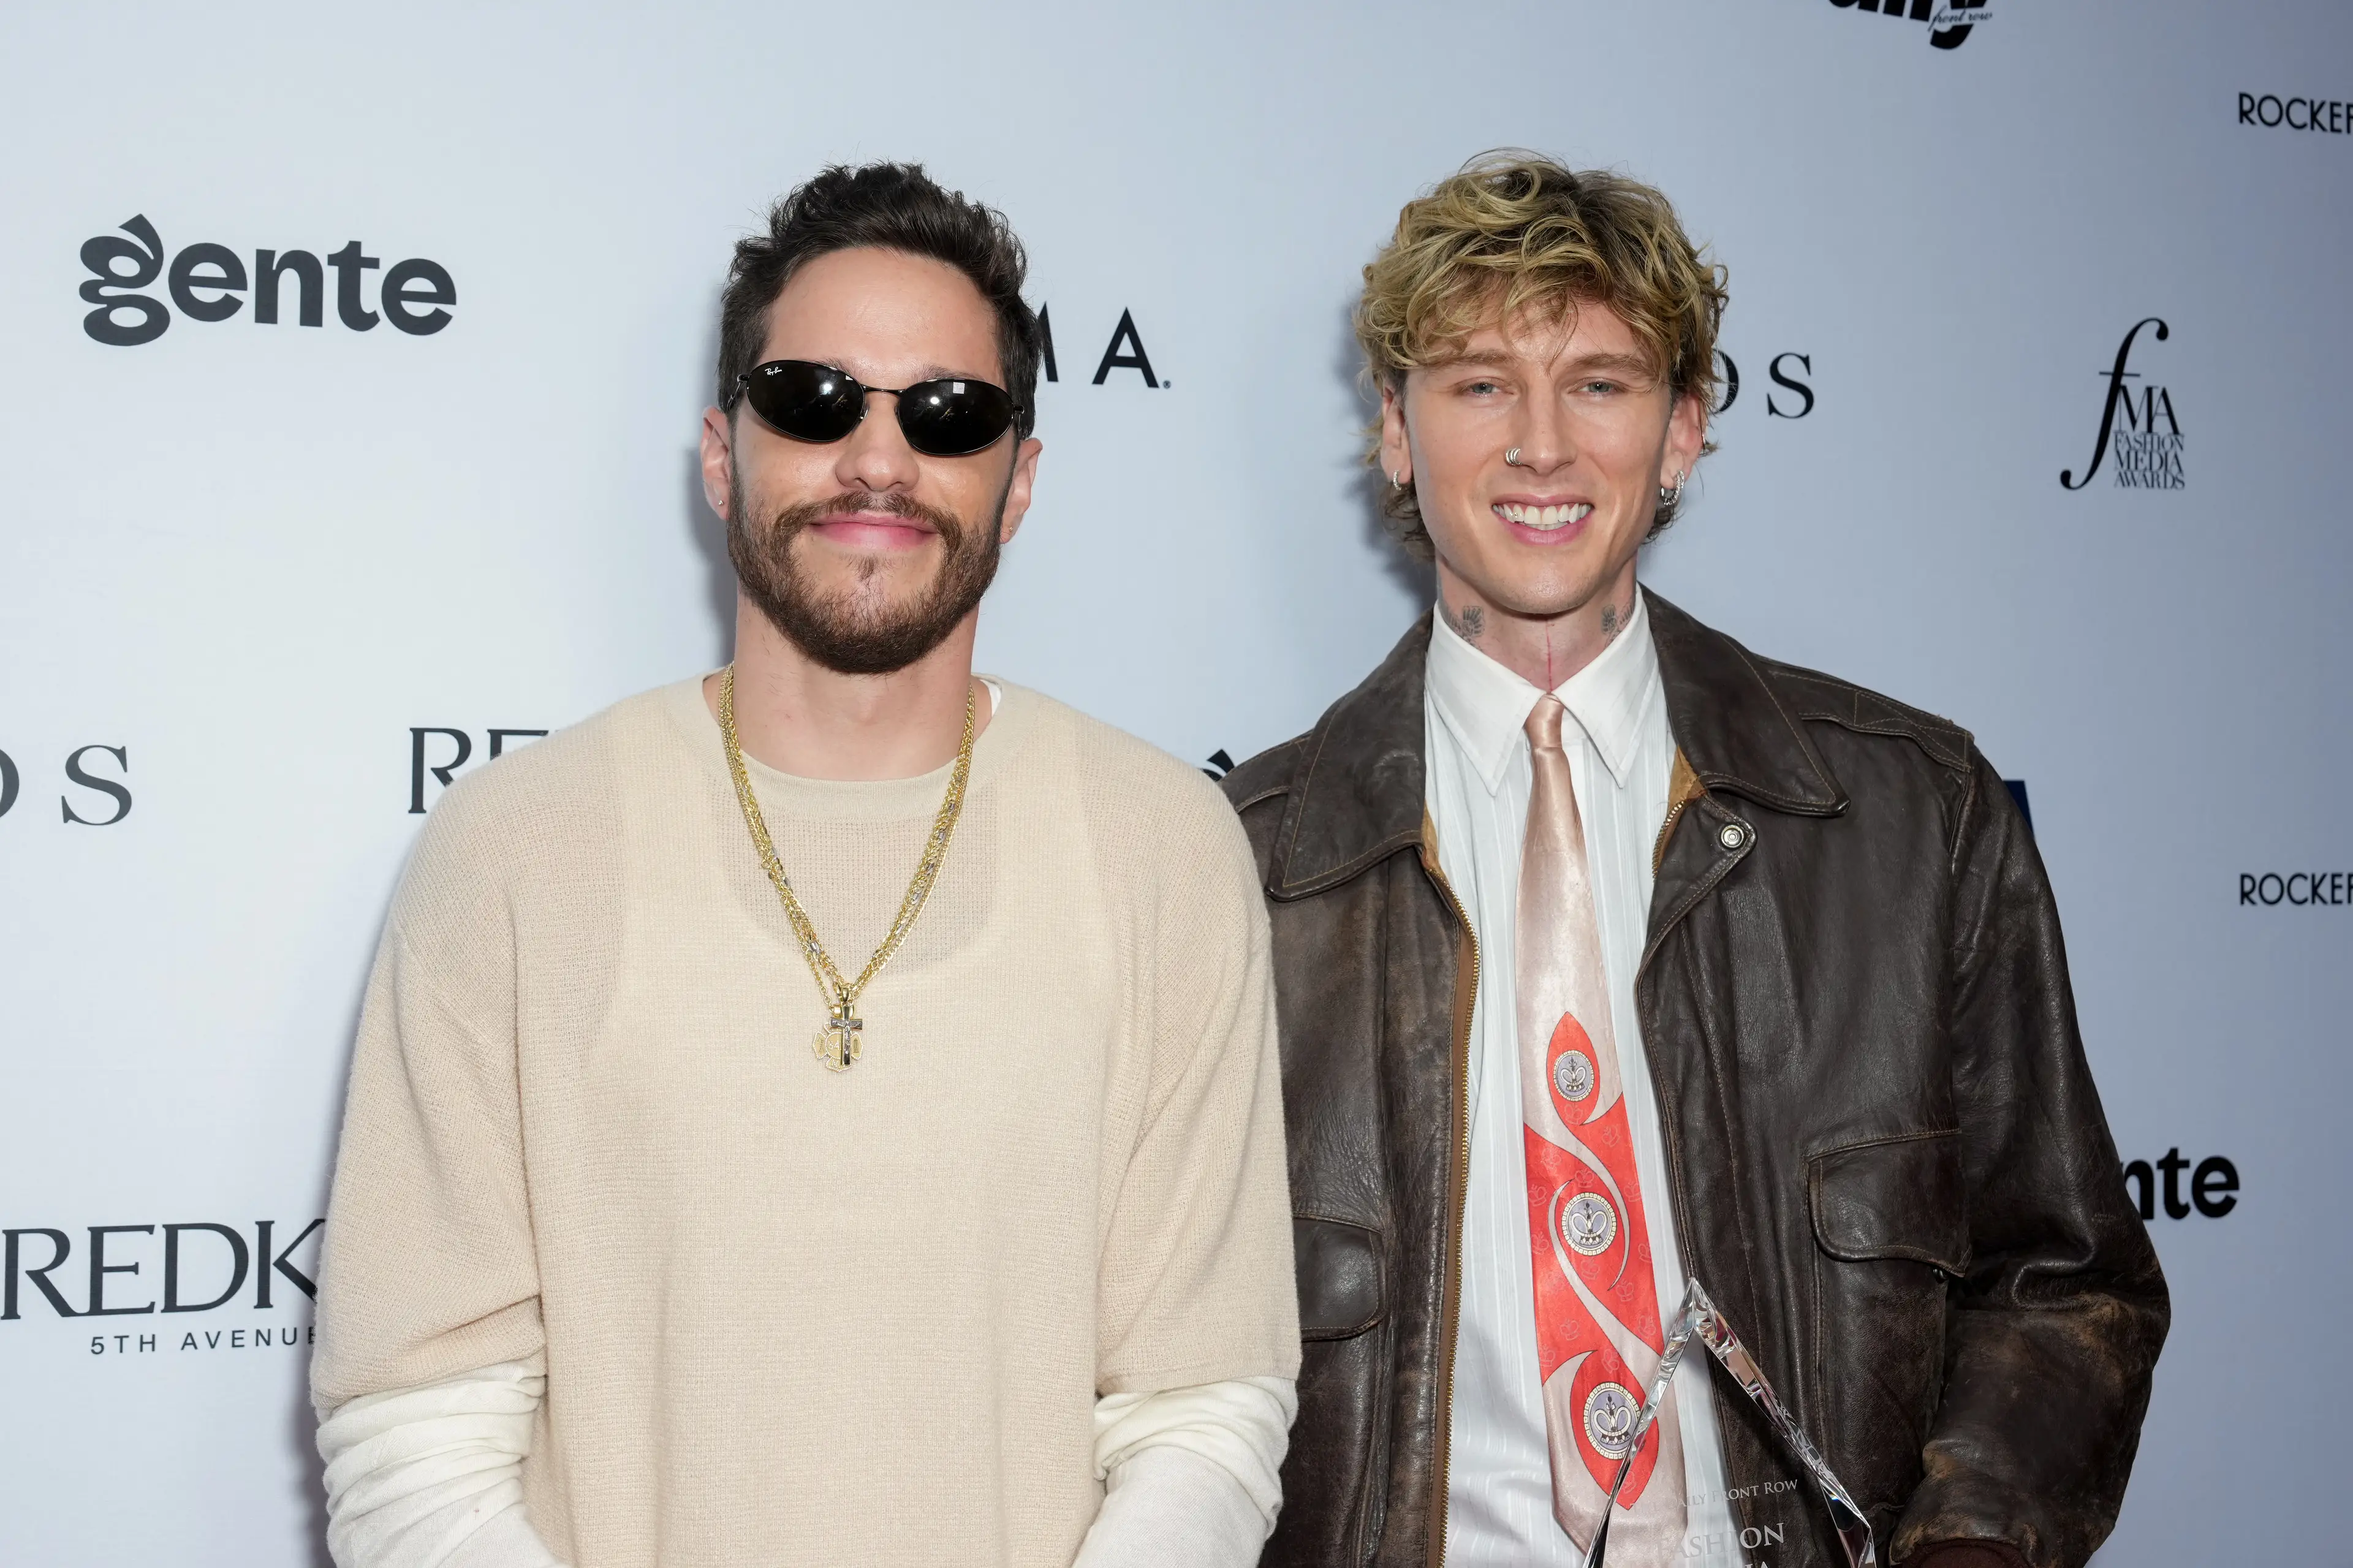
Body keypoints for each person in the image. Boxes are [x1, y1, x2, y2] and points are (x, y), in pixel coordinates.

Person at [309, 162, 1297, 1568]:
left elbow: (1201, 1406)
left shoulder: (1163, 847)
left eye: (948, 414)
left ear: (1018, 483)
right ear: (723, 454)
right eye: (813, 400)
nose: (879, 460)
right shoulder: (514, 850)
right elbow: (417, 1428)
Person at [1222, 154, 2166, 1568]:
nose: (1542, 445)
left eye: (1599, 383)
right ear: (1398, 435)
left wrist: (1969, 1543)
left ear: (1682, 432)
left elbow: (2065, 1278)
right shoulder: (1243, 870)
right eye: (1481, 383)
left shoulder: (1914, 814)